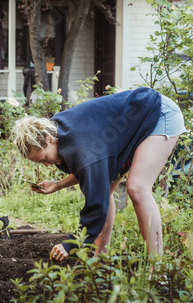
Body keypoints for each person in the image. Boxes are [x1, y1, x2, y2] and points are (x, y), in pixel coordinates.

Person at [13, 87, 187, 261]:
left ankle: (157, 268)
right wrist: (58, 184)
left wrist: (72, 244)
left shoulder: (82, 148)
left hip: (157, 113)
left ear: (49, 140)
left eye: (44, 158)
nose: (45, 164)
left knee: (137, 188)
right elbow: (89, 171)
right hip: (131, 124)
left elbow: (96, 203)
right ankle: (101, 256)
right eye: (40, 162)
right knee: (108, 187)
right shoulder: (55, 131)